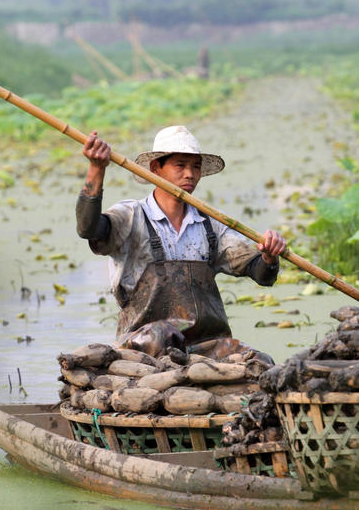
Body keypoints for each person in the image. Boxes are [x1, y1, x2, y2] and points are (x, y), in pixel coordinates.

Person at [76, 125, 287, 345]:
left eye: (196, 167)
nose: (190, 174)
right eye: (180, 165)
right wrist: (96, 169)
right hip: (145, 343)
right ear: (156, 168)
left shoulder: (211, 223)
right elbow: (88, 229)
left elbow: (262, 275)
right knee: (160, 338)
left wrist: (269, 257)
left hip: (204, 342)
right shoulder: (131, 215)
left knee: (257, 360)